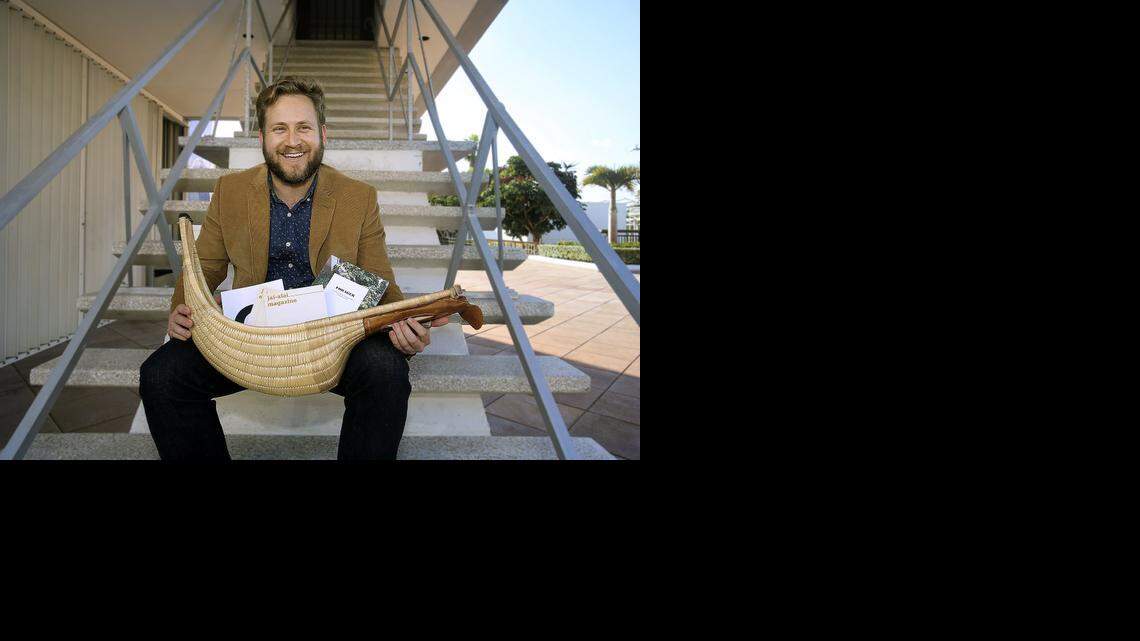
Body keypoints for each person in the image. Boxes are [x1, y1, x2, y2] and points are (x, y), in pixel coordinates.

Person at [139, 77, 446, 461]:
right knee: (161, 375)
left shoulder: (358, 197)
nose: (292, 141)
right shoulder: (230, 191)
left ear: (322, 134)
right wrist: (182, 310)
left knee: (386, 370)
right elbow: (203, 269)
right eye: (279, 129)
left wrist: (404, 330)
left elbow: (381, 284)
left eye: (304, 127)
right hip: (249, 340)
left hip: (334, 339)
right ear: (262, 138)